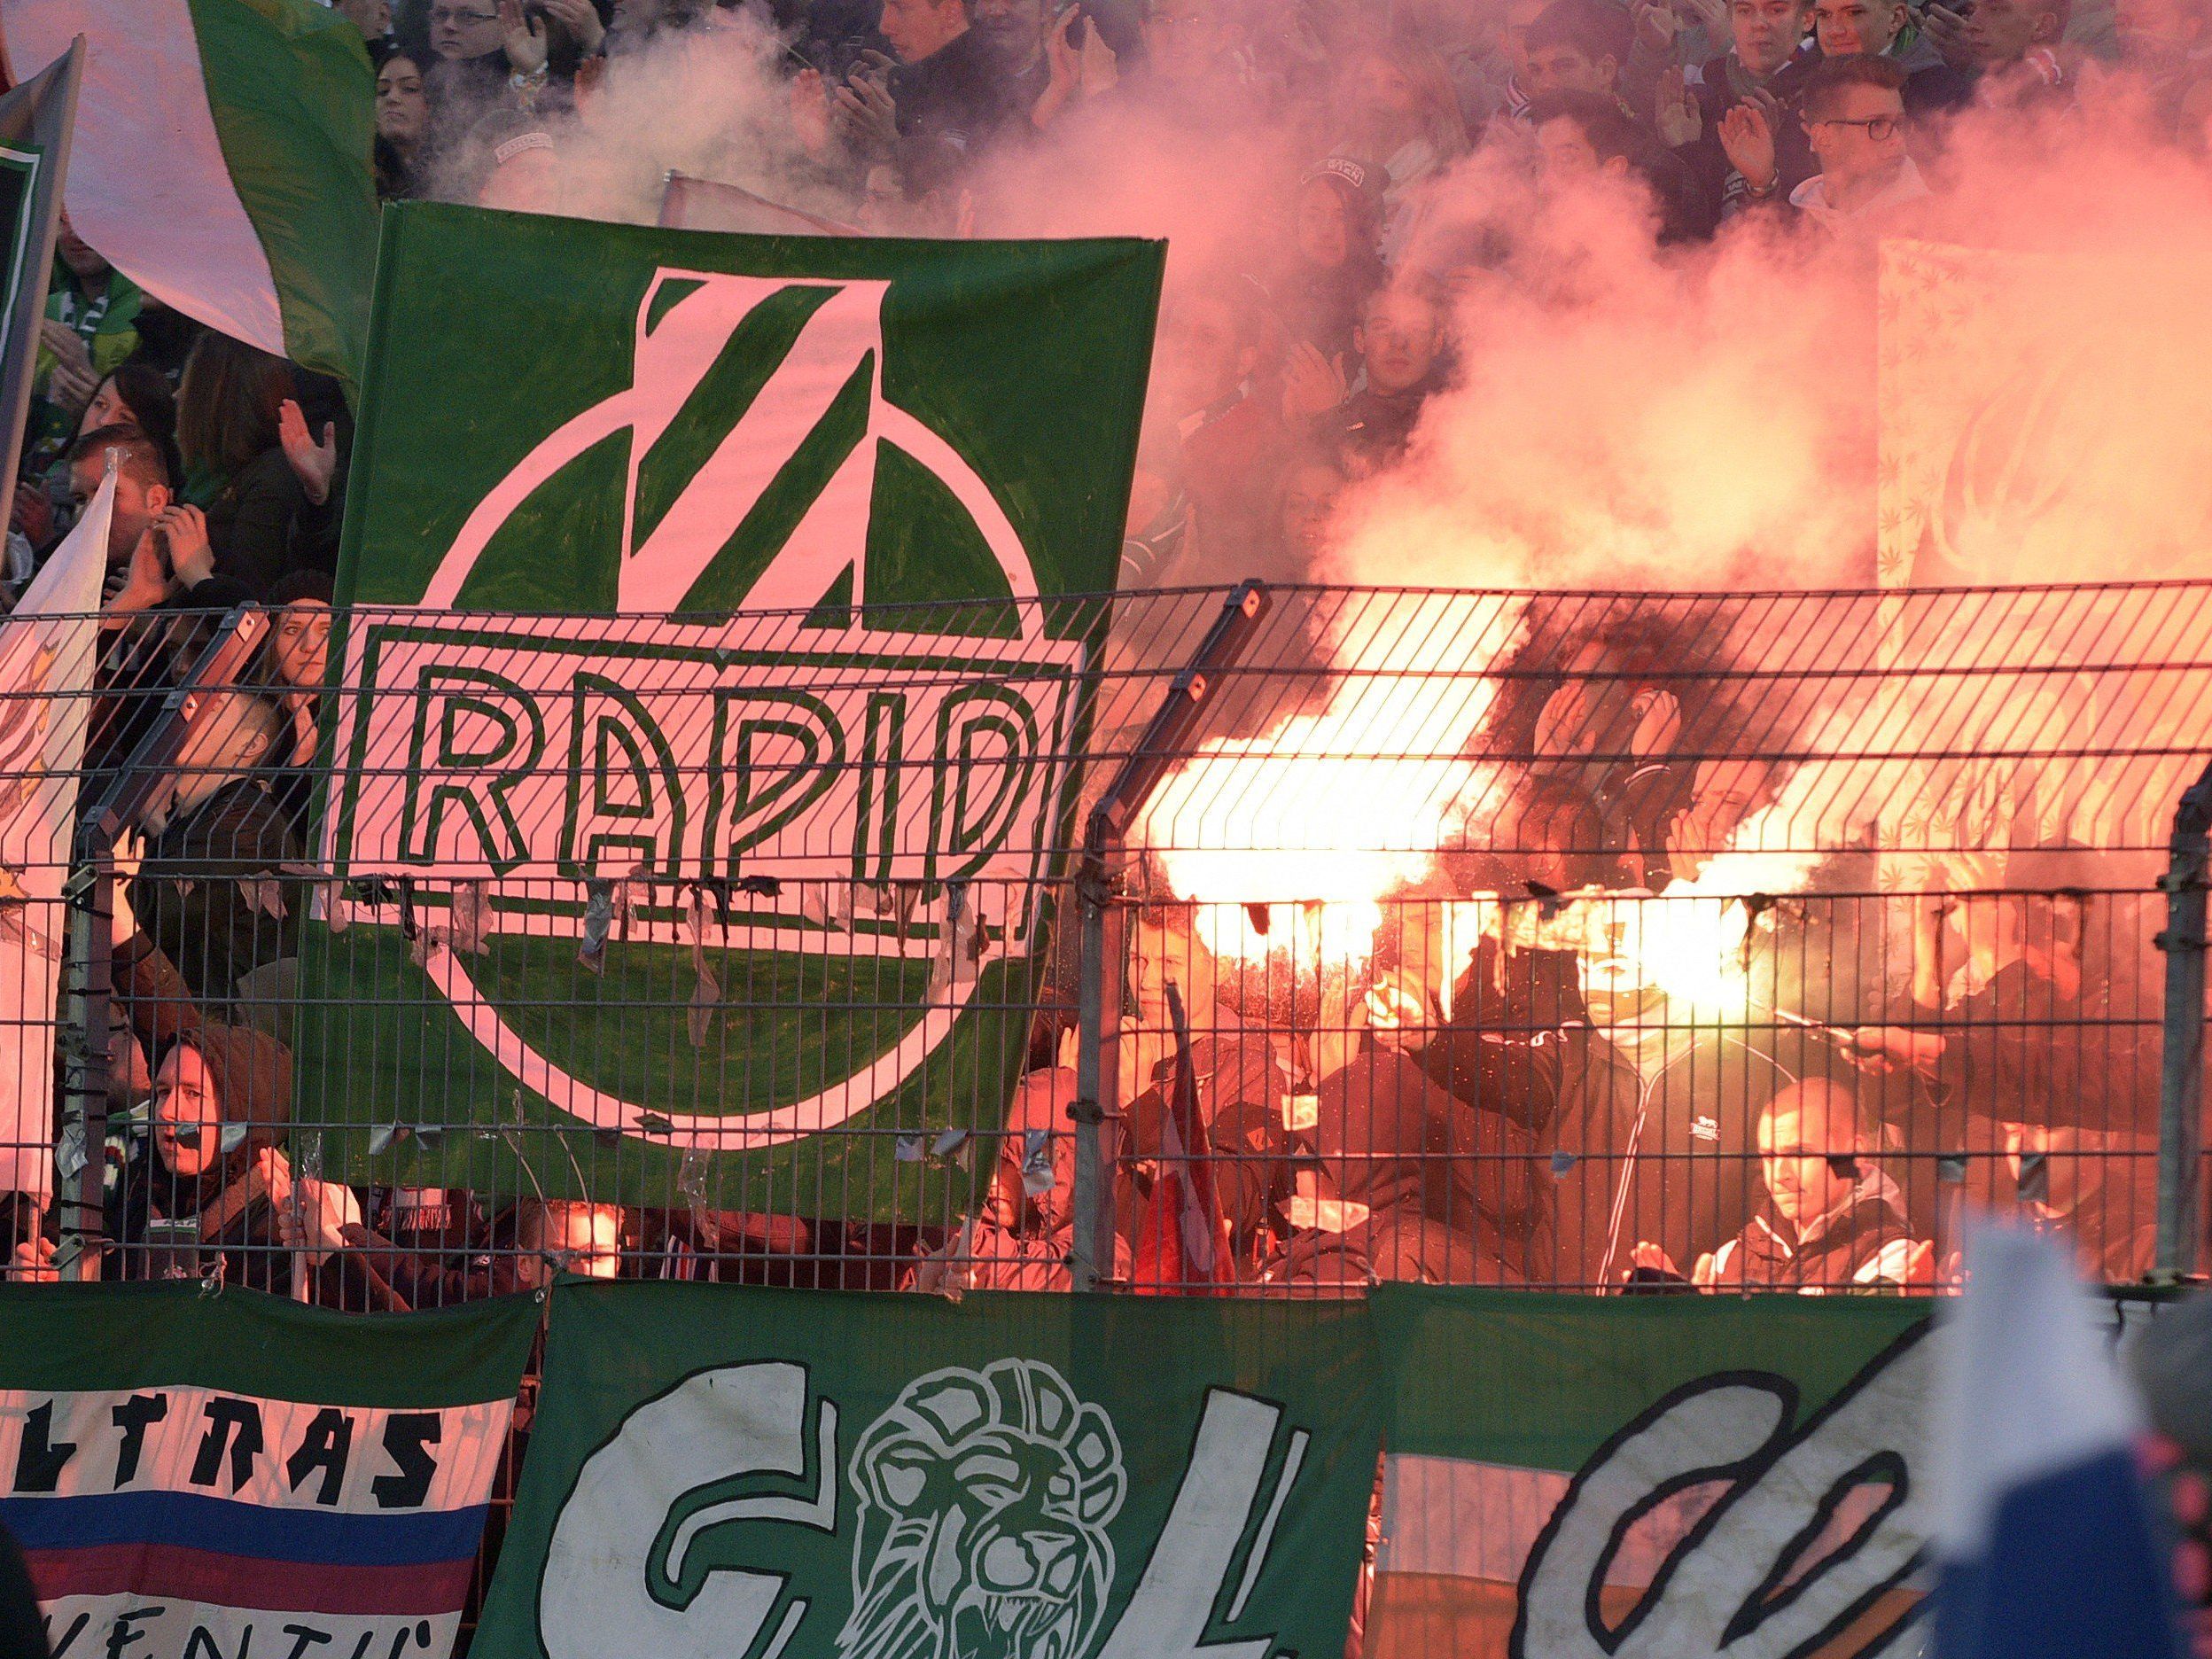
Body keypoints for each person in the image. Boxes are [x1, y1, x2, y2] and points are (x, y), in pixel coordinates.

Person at [1650, 1078, 1934, 1289]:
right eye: (1769, 1156)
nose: (1779, 1174)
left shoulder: (1893, 1259)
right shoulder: (1730, 1256)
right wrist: (1679, 1316)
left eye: (1800, 1153)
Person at [129, 689, 300, 1004]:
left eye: (212, 709)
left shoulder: (244, 824)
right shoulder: (211, 815)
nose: (189, 714)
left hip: (212, 1030)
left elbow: (153, 913)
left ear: (249, 745)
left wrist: (115, 876)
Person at [173, 333, 324, 596]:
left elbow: (249, 605)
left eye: (188, 384)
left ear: (211, 399)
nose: (177, 396)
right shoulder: (198, 476)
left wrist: (195, 576)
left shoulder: (273, 478)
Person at [1655, 0, 1820, 222]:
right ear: (1730, 18)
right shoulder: (1700, 86)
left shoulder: (1827, 91)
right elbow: (1689, 231)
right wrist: (1684, 150)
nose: (1758, 24)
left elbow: (1820, 229)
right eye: (1745, 10)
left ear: (1808, 18)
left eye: (1776, 10)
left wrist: (1781, 149)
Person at [1784, 53, 1932, 231]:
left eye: (1900, 124)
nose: (1898, 139)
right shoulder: (1793, 222)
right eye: (1877, 124)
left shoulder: (1936, 226)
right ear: (1823, 139)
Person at [1315, 284, 1446, 477]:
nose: (1399, 343)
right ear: (1360, 339)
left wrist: (1328, 419)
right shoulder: (1347, 415)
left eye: (1416, 330)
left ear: (1437, 342)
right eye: (1383, 327)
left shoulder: (1460, 421)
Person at [1273, 156, 1387, 364]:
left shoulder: (1390, 302)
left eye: (1342, 217)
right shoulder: (1270, 291)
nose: (1325, 231)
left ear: (1369, 226)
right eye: (1313, 216)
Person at [375, 46, 437, 200]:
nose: (392, 98)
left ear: (432, 106)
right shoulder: (356, 176)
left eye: (409, 89)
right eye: (383, 91)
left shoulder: (455, 171)